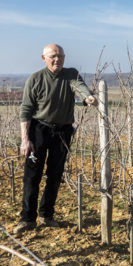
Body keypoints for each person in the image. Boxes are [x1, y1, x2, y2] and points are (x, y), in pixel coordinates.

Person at [14, 44, 97, 234]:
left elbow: (80, 88)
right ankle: (27, 218)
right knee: (32, 176)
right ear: (44, 58)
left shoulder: (71, 74)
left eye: (60, 56)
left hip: (63, 132)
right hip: (39, 130)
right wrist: (25, 139)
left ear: (64, 58)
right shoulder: (36, 79)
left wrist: (88, 98)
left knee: (55, 175)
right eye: (53, 56)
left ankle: (46, 215)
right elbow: (26, 110)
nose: (57, 59)